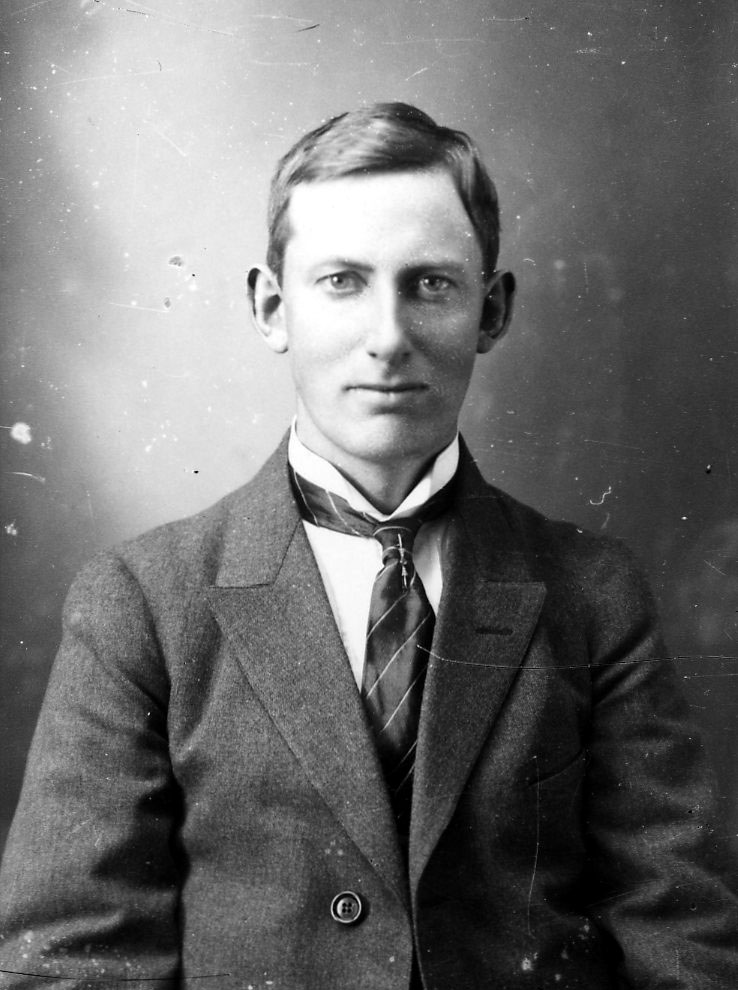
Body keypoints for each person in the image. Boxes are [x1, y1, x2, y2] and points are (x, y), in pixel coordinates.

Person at [0, 103, 736, 990]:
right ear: (272, 307)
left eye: (431, 284)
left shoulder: (591, 593)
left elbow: (684, 937)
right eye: (343, 281)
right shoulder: (144, 603)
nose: (388, 337)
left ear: (492, 310)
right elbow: (72, 960)